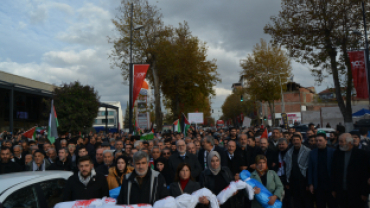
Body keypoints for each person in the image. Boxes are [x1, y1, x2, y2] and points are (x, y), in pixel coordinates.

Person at [331, 133, 369, 208]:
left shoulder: (361, 154)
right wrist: (333, 189)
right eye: (339, 141)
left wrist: (365, 193)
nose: (339, 143)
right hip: (341, 192)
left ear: (349, 142)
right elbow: (333, 172)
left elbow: (366, 174)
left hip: (357, 193)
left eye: (341, 141)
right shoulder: (337, 153)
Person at [307, 132, 336, 208]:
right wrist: (310, 184)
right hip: (318, 186)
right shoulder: (312, 153)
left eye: (320, 140)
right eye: (317, 141)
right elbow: (310, 169)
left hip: (330, 185)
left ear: (326, 141)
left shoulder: (332, 152)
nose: (318, 142)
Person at [285, 134, 311, 208]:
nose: (295, 142)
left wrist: (308, 183)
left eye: (297, 140)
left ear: (301, 140)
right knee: (296, 202)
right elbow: (287, 166)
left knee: (306, 202)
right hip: (294, 181)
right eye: (294, 140)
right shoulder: (289, 152)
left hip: (304, 180)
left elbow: (309, 168)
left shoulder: (307, 151)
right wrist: (288, 181)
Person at [276, 138, 291, 208]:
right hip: (278, 177)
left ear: (287, 145)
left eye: (283, 144)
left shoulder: (290, 153)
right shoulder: (276, 152)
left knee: (288, 197)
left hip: (287, 177)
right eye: (279, 144)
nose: (281, 146)